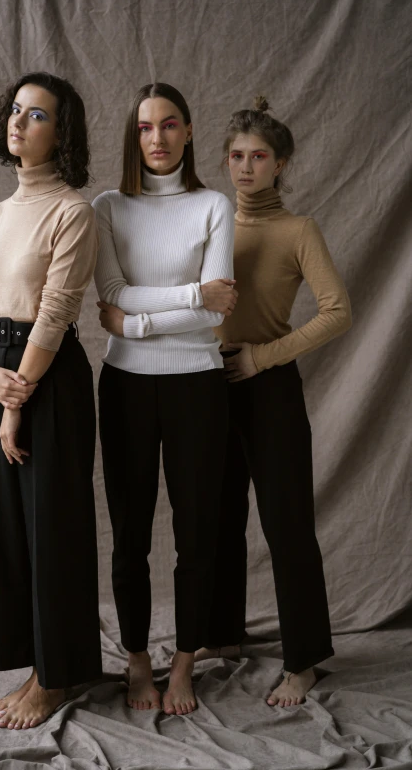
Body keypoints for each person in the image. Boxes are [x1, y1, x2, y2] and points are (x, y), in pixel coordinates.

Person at [195, 96, 352, 707]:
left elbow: (338, 312)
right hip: (209, 385)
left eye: (259, 157)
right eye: (236, 156)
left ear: (281, 163)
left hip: (270, 387)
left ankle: (305, 659)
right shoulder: (212, 220)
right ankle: (223, 636)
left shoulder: (298, 230)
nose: (245, 168)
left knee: (286, 525)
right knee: (217, 518)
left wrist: (262, 357)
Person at [93, 82, 236, 716]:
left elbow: (219, 296)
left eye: (170, 125)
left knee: (196, 535)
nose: (158, 138)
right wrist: (188, 300)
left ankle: (183, 665)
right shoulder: (107, 207)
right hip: (125, 384)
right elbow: (111, 296)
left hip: (199, 385)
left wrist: (139, 319)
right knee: (128, 536)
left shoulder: (213, 205)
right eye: (147, 127)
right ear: (134, 135)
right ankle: (138, 663)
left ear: (188, 132)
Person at [0, 71, 102, 730]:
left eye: (37, 114)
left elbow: (53, 315)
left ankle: (57, 677)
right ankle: (39, 664)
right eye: (15, 110)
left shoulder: (72, 211)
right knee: (9, 530)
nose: (19, 122)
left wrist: (16, 401)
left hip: (49, 380)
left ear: (61, 131)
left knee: (54, 529)